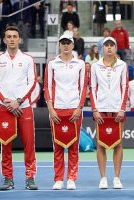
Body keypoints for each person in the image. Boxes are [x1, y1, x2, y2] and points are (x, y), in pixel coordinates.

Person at [0, 26, 38, 190]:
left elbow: (32, 83)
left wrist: (18, 101)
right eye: (8, 36)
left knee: (28, 144)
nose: (11, 39)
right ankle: (7, 178)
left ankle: (30, 177)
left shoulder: (27, 59)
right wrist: (6, 102)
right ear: (4, 40)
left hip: (23, 107)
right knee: (6, 145)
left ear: (19, 39)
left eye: (14, 36)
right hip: (4, 109)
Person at [44, 33, 87, 190]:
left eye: (68, 42)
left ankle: (71, 178)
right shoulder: (52, 64)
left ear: (73, 45)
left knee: (74, 147)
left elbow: (83, 87)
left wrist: (79, 107)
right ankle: (58, 179)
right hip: (56, 110)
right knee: (58, 146)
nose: (66, 45)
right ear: (59, 45)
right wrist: (51, 109)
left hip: (74, 110)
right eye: (63, 43)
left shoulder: (80, 64)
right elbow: (47, 87)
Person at [90, 36, 128, 189]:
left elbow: (125, 87)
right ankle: (103, 177)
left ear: (116, 48)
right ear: (102, 48)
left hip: (117, 110)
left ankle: (117, 178)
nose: (109, 48)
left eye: (112, 45)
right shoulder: (95, 66)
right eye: (106, 45)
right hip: (101, 109)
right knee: (101, 144)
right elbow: (92, 88)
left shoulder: (123, 65)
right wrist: (95, 109)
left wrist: (122, 108)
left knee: (118, 143)